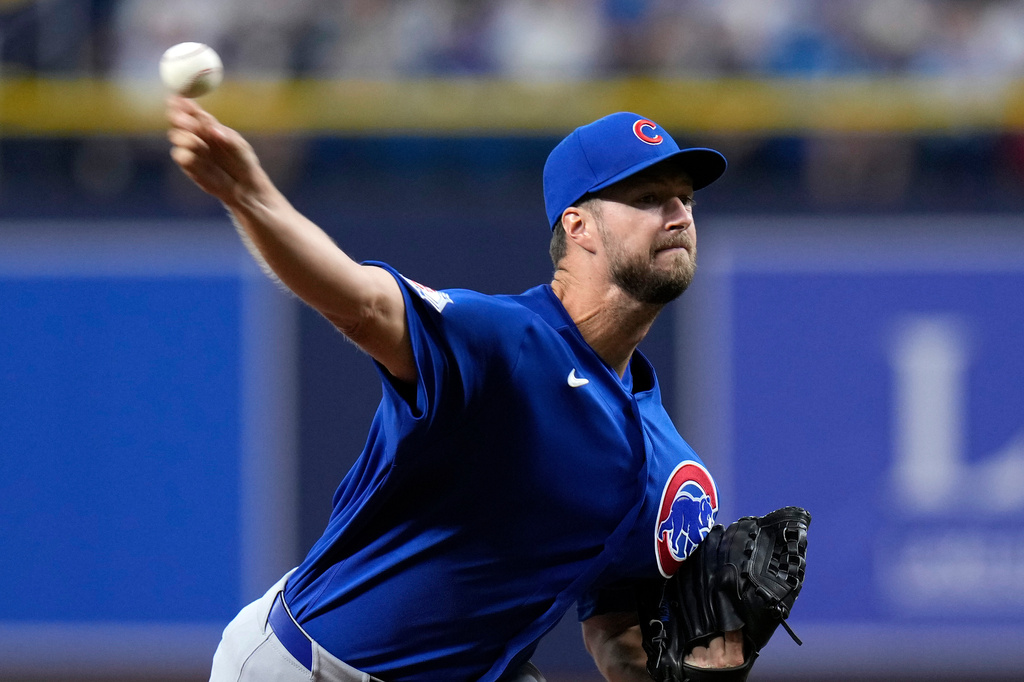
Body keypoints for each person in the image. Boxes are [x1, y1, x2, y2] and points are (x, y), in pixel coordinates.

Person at [167, 97, 742, 682]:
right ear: (578, 225)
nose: (678, 214)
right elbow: (361, 302)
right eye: (648, 198)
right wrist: (251, 197)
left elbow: (615, 635)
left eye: (685, 198)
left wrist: (704, 669)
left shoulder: (670, 464)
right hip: (312, 668)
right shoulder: (507, 342)